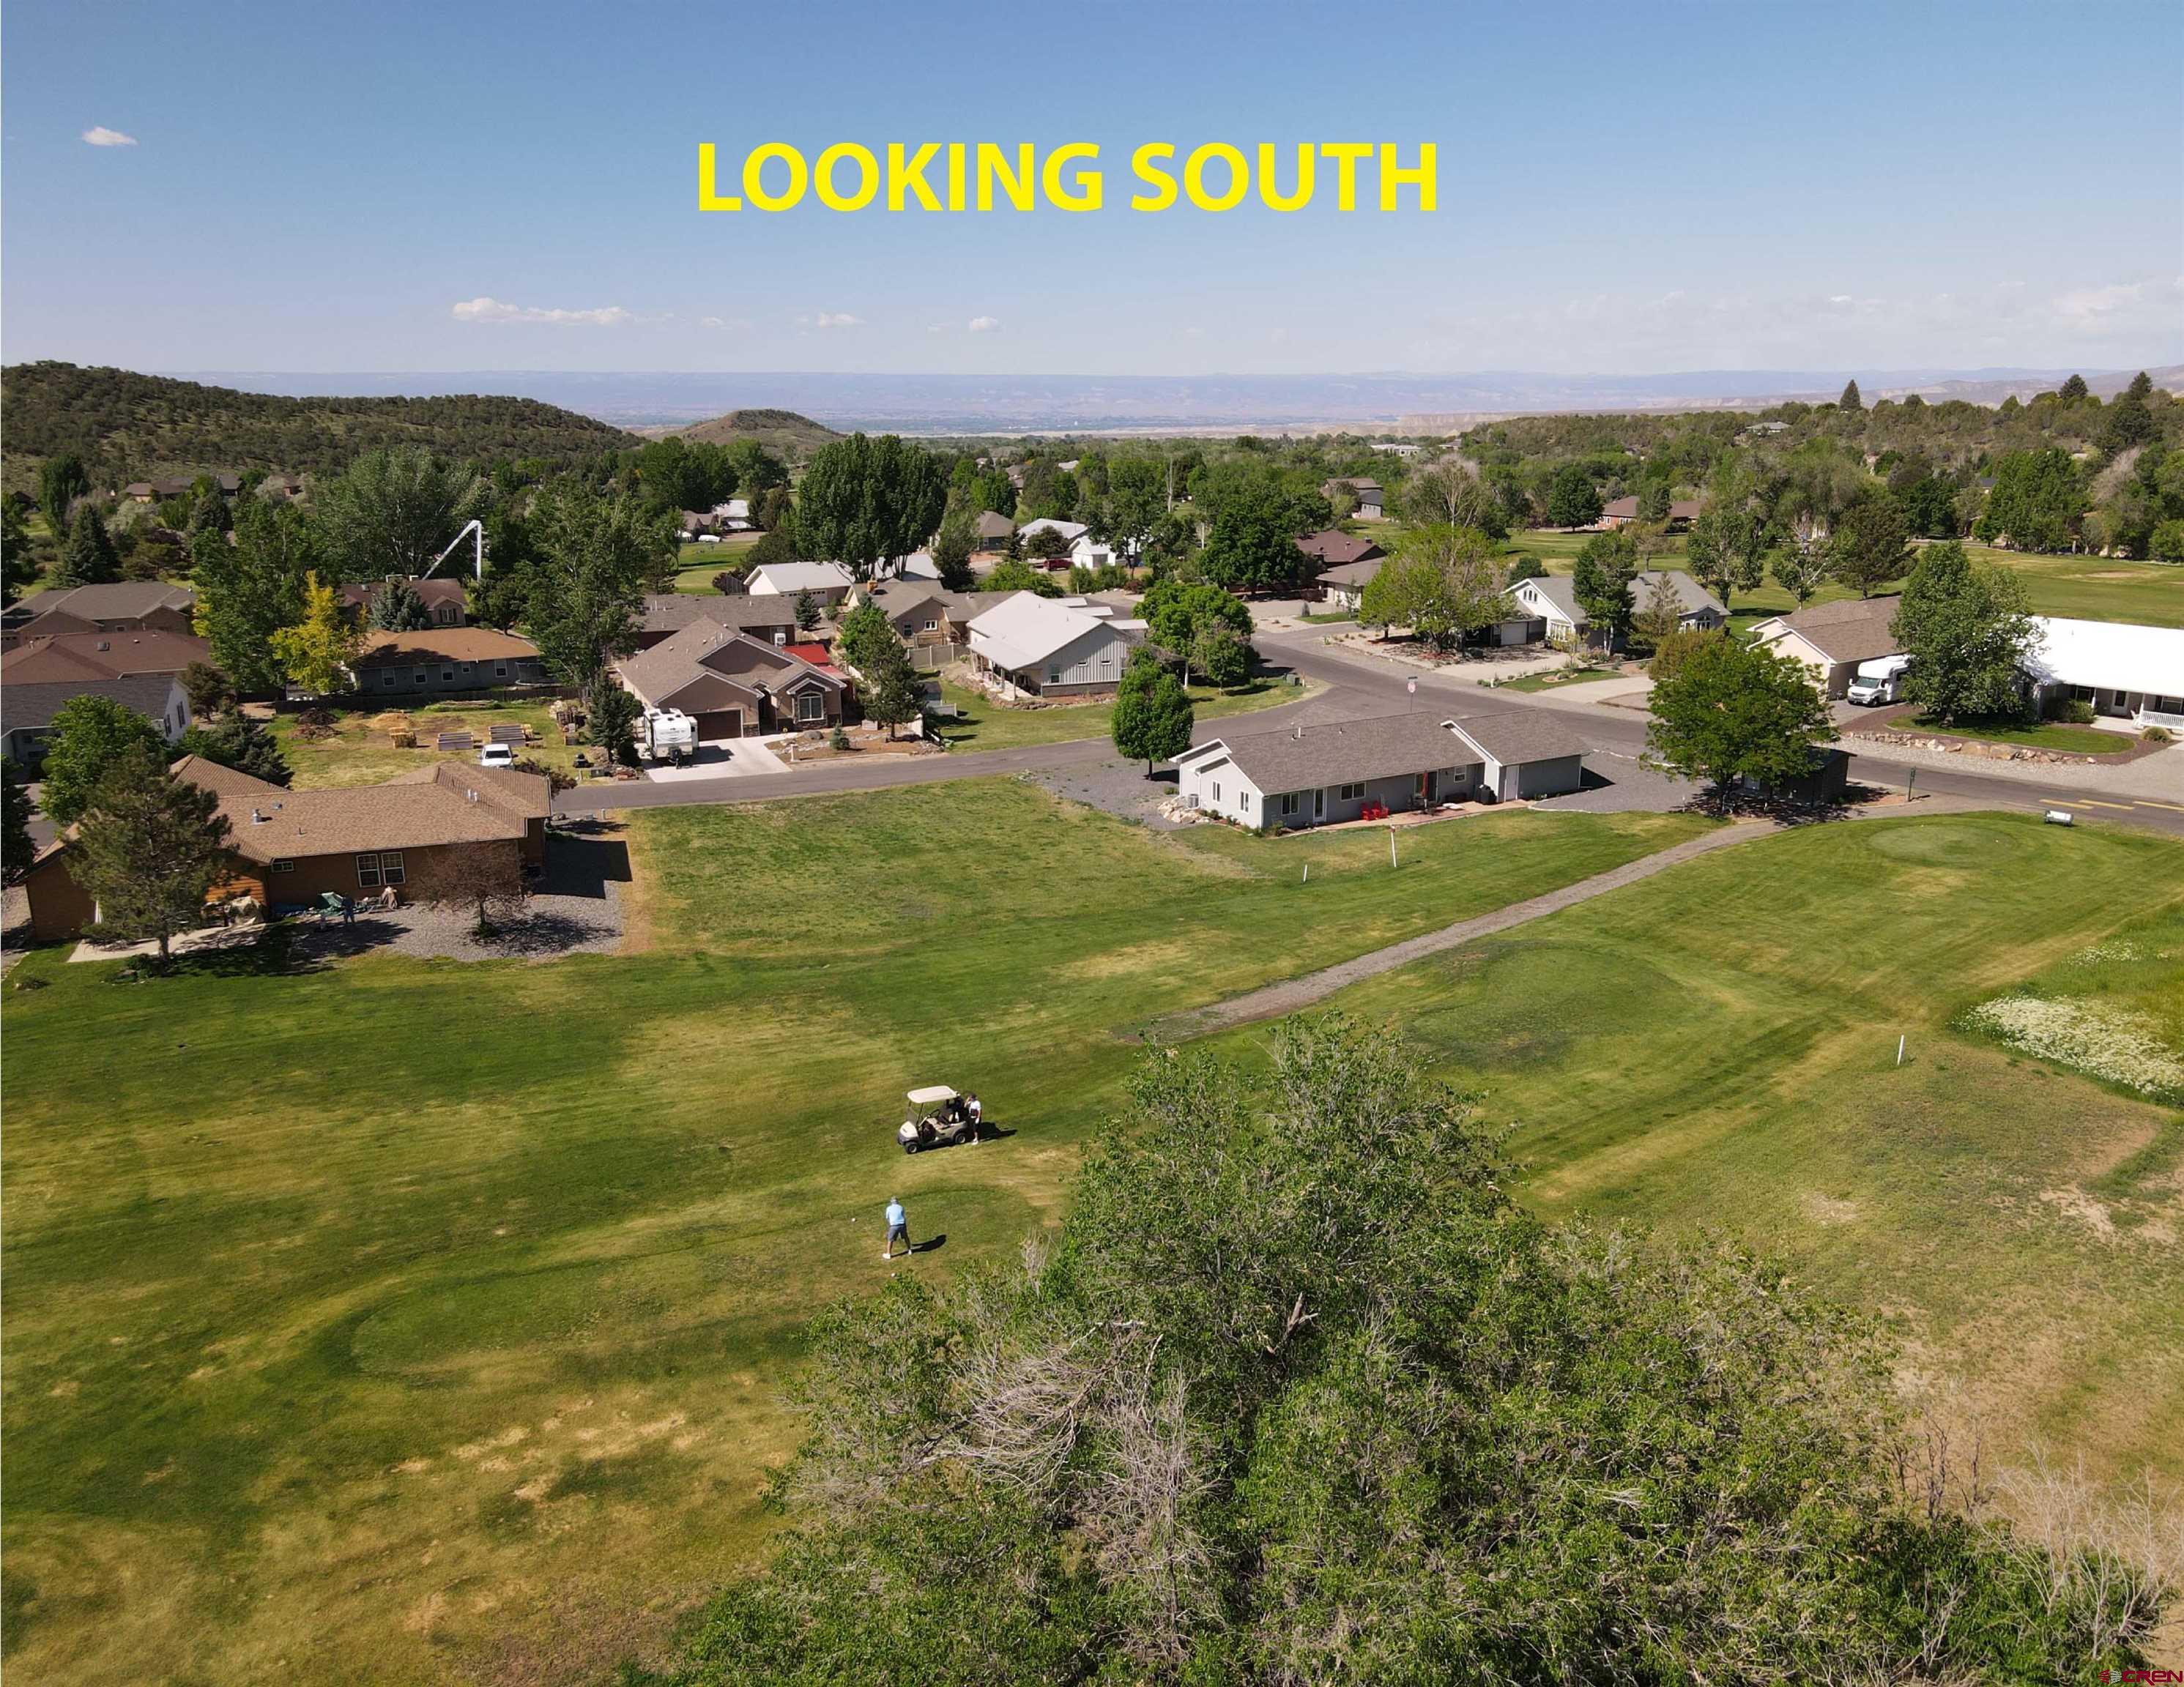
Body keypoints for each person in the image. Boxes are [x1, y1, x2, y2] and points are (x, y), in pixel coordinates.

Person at [883, 1196, 910, 1260]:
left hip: (894, 1226)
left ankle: (888, 1254)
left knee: (890, 1239)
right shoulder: (901, 1207)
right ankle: (910, 1250)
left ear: (891, 1202)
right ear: (897, 1202)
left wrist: (891, 1225)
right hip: (903, 1225)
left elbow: (887, 1218)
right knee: (906, 1237)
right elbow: (903, 1216)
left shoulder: (889, 1208)